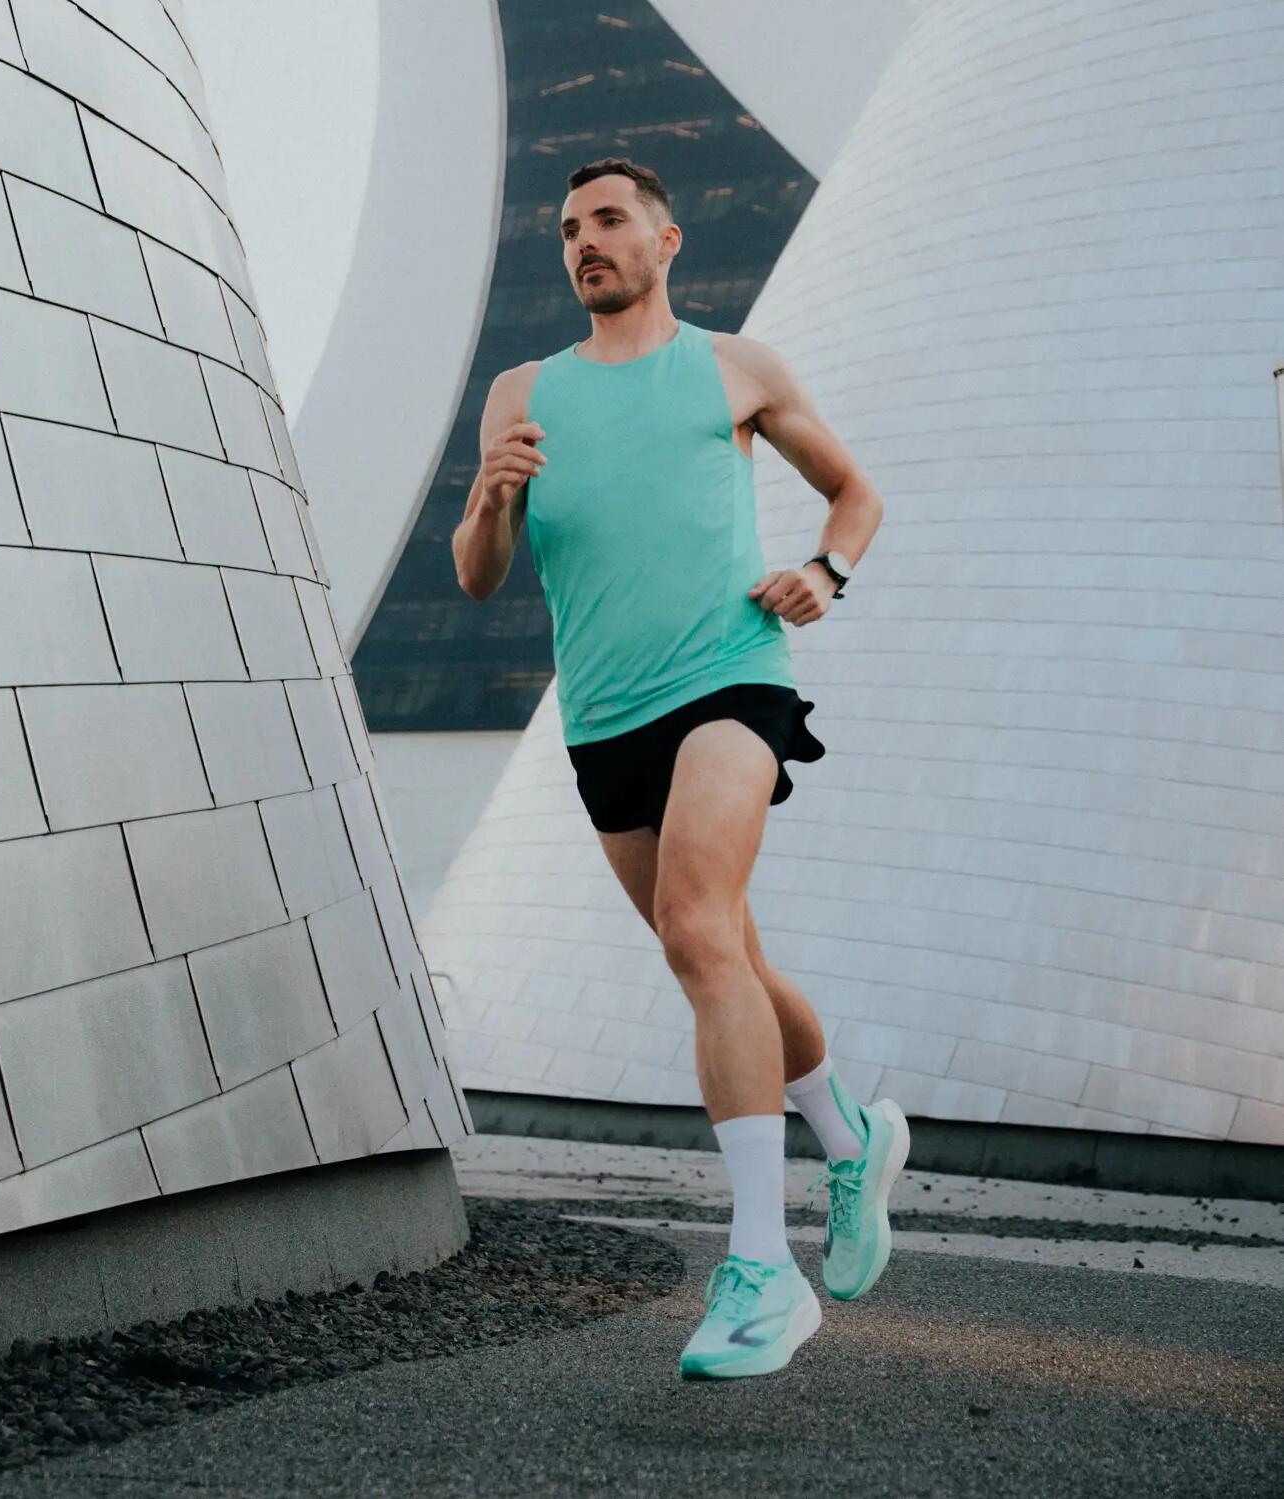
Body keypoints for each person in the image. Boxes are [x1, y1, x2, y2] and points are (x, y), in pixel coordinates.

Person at [452, 158, 909, 1380]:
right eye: (567, 230)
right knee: (727, 956)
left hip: (730, 678)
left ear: (665, 238)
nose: (584, 242)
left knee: (698, 925)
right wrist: (491, 498)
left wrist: (825, 574)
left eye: (607, 222)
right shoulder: (521, 391)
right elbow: (478, 572)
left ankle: (762, 1270)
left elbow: (853, 494)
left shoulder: (733, 366)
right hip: (604, 720)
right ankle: (848, 1131)